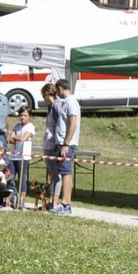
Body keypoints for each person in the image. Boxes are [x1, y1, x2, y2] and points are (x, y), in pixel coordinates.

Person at [47, 79, 81, 215]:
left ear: (61, 88)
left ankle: (66, 204)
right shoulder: (67, 102)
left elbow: (73, 123)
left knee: (66, 173)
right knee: (64, 172)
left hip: (66, 144)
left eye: (57, 90)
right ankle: (65, 204)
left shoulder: (70, 102)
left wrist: (66, 143)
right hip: (62, 143)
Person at [40, 80, 62, 209]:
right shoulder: (50, 107)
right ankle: (52, 200)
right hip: (47, 143)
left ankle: (54, 202)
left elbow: (59, 125)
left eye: (44, 96)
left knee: (55, 175)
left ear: (48, 94)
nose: (43, 99)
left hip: (53, 144)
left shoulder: (55, 106)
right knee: (52, 174)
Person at [8, 106, 35, 208]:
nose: (22, 117)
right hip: (14, 155)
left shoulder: (30, 127)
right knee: (10, 177)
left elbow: (23, 139)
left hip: (23, 156)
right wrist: (15, 138)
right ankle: (9, 198)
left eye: (25, 115)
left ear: (29, 116)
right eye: (21, 115)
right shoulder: (17, 126)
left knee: (22, 179)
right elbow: (10, 140)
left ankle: (22, 201)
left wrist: (15, 137)